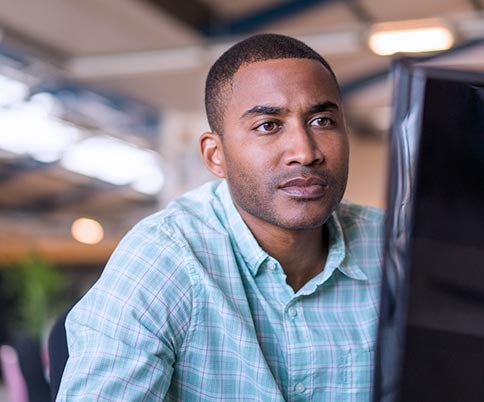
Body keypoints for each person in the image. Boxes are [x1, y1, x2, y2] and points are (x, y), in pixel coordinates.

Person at [56, 33, 384, 401]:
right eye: (268, 125)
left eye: (322, 120)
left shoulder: (394, 248)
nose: (304, 152)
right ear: (216, 156)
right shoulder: (167, 257)